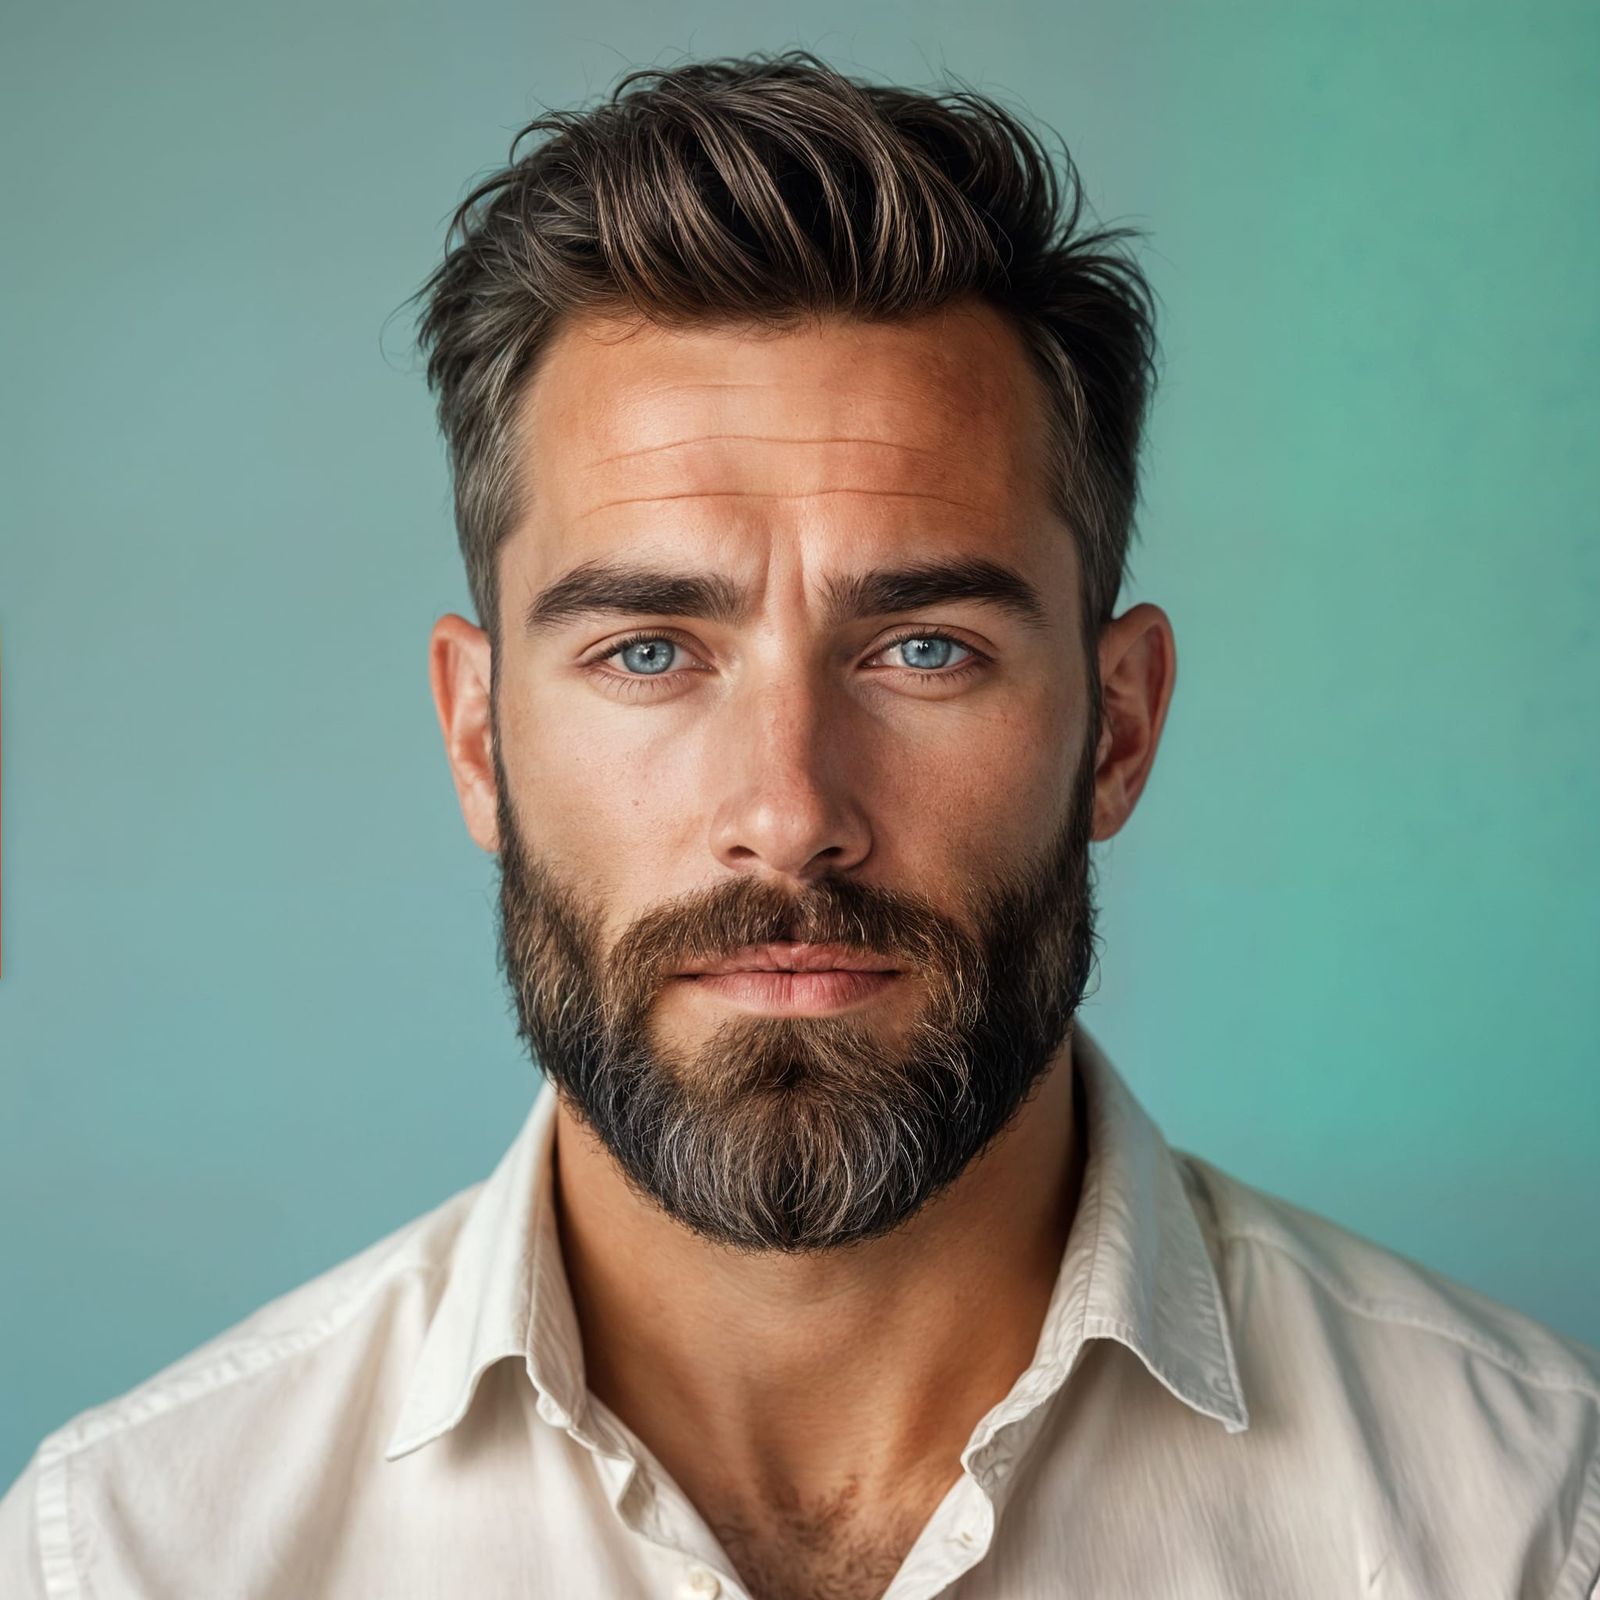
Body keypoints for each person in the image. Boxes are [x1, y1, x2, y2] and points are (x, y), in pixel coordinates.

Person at [3, 48, 1597, 1600]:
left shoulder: (1533, 1523)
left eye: (924, 650)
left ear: (1118, 724)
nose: (789, 815)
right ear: (478, 734)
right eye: (648, 652)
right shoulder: (133, 1555)